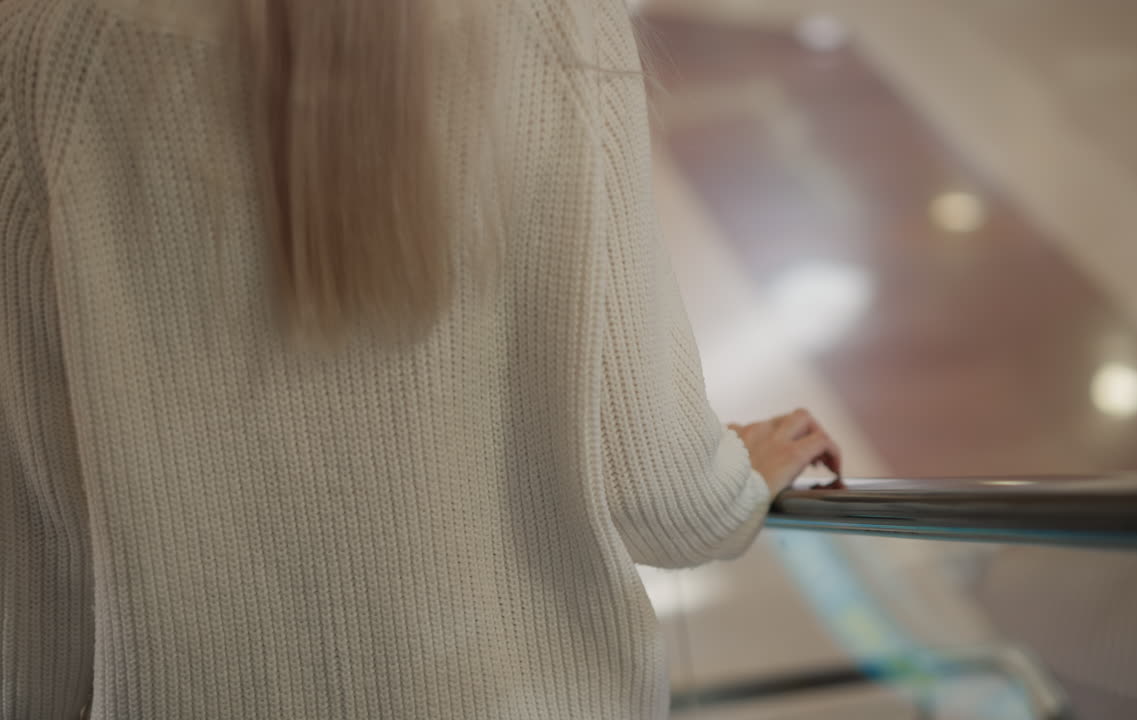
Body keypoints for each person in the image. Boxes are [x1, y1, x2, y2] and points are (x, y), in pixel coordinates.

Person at [0, 0, 841, 717]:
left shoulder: (41, 41)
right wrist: (729, 481)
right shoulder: (552, 21)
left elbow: (38, 559)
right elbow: (657, 497)